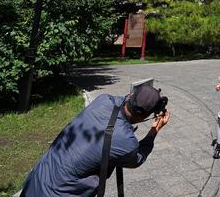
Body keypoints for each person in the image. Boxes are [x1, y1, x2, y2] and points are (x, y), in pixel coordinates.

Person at [21, 84, 169, 196]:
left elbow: (120, 101)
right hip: (59, 193)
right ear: (144, 117)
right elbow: (137, 159)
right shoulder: (126, 142)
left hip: (36, 181)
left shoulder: (103, 100)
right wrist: (154, 131)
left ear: (131, 96)